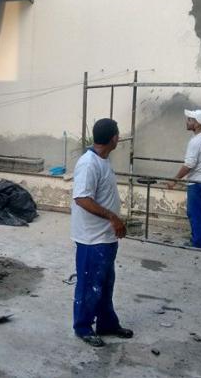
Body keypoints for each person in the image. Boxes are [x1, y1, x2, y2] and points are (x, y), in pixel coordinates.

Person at [71, 118, 133, 347]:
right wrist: (112, 217)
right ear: (114, 138)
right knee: (90, 284)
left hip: (104, 237)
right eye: (118, 134)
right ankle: (83, 327)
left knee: (105, 284)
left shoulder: (102, 160)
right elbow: (82, 198)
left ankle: (107, 323)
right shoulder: (89, 164)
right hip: (91, 239)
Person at [167, 109, 201, 249]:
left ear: (197, 124)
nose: (187, 122)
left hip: (197, 182)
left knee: (195, 213)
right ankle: (197, 238)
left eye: (190, 120)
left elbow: (189, 164)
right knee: (200, 212)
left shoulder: (195, 141)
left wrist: (175, 179)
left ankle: (198, 243)